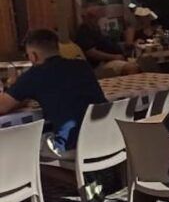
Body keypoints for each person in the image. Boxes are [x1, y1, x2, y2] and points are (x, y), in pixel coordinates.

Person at [0, 29, 107, 160]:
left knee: (21, 144)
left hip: (70, 145)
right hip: (104, 137)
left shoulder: (34, 75)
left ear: (34, 56)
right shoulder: (82, 66)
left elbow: (2, 106)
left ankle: (32, 179)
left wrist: (14, 87)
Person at [75, 6, 140, 77]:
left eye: (97, 17)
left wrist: (125, 45)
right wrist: (113, 57)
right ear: (85, 17)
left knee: (141, 64)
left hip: (116, 58)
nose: (96, 19)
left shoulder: (96, 29)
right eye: (92, 17)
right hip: (101, 64)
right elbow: (91, 53)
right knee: (132, 68)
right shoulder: (84, 31)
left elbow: (107, 44)